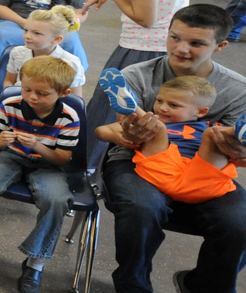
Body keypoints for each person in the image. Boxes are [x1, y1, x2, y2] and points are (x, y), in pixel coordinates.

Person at [92, 5, 246, 293]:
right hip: (140, 160)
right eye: (175, 38)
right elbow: (113, 131)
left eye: (196, 43)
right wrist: (126, 133)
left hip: (204, 168)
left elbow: (235, 154)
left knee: (240, 221)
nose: (181, 49)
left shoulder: (236, 90)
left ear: (220, 46)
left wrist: (237, 147)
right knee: (141, 206)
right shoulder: (137, 75)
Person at [0, 56, 81, 293]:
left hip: (48, 165)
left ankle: (35, 263)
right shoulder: (11, 103)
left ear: (64, 93)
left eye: (42, 93)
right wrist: (2, 139)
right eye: (27, 89)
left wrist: (39, 146)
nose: (32, 97)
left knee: (57, 200)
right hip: (11, 155)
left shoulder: (69, 117)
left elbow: (63, 158)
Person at [99, 73, 239, 206]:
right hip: (165, 169)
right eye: (159, 101)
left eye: (173, 105)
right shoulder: (152, 123)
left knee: (215, 136)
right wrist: (115, 137)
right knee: (156, 128)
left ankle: (239, 130)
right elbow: (101, 130)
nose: (162, 108)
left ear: (201, 112)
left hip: (203, 177)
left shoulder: (210, 127)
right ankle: (131, 106)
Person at [0, 7, 84, 97]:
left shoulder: (71, 63)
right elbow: (9, 81)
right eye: (26, 30)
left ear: (56, 39)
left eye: (36, 33)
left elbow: (75, 98)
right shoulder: (17, 53)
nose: (27, 36)